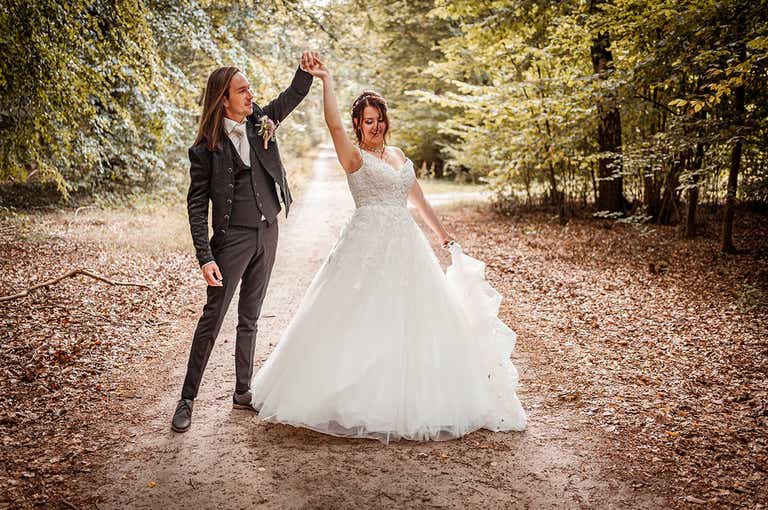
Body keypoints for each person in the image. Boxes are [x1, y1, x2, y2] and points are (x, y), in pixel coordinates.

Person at [249, 54, 527, 442]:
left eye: (379, 120)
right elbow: (331, 122)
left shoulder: (396, 155)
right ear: (358, 125)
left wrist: (442, 234)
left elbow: (417, 198)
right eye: (368, 121)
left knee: (417, 317)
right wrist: (327, 80)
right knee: (361, 316)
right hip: (366, 245)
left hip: (408, 245)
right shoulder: (353, 156)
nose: (375, 127)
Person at [171, 52, 316, 433]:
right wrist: (205, 256)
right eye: (242, 90)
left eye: (250, 88)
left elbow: (292, 95)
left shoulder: (261, 123)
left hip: (268, 232)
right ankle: (187, 400)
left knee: (250, 317)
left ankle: (242, 392)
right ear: (223, 99)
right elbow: (196, 204)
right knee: (212, 319)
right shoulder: (205, 149)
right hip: (231, 240)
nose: (250, 95)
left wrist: (305, 71)